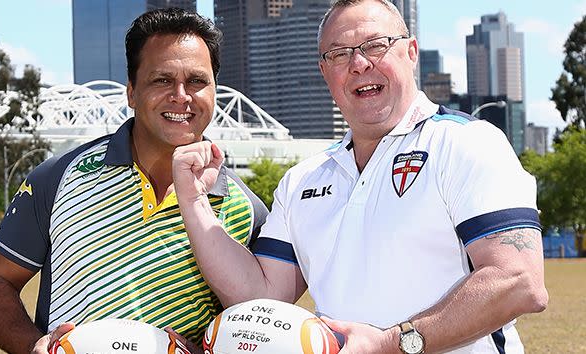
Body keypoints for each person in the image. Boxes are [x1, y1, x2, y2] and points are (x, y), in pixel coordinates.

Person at [171, 1, 548, 353]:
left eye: (376, 45)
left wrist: (391, 343)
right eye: (339, 54)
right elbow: (259, 296)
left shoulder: (465, 142)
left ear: (411, 52)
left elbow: (518, 282)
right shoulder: (302, 179)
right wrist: (193, 201)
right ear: (324, 71)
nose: (359, 63)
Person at [0, 8, 267, 354]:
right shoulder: (59, 178)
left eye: (197, 81)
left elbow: (254, 323)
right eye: (162, 80)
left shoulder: (246, 208)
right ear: (131, 92)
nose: (181, 96)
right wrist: (34, 345)